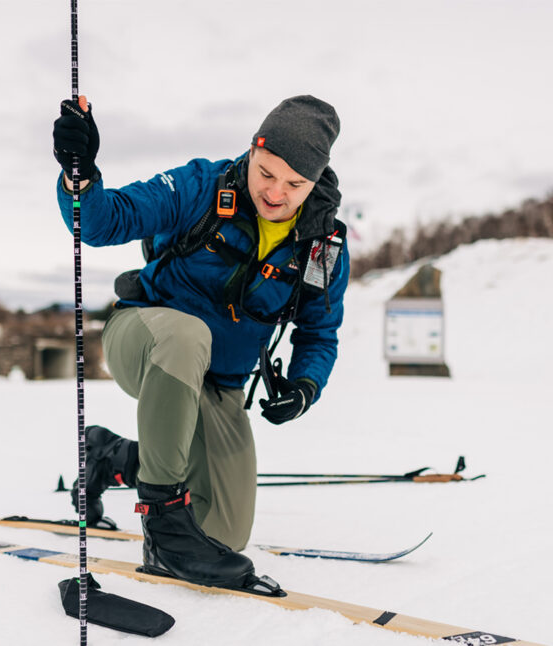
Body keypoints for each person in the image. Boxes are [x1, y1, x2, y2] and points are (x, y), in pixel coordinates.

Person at [51, 95, 351, 595]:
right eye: (266, 172)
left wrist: (303, 385)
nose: (276, 193)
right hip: (145, 341)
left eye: (295, 184)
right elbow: (104, 222)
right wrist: (78, 177)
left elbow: (319, 332)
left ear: (316, 180)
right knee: (191, 335)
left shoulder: (322, 247)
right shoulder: (201, 186)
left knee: (224, 535)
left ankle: (109, 456)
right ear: (252, 151)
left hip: (219, 383)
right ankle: (164, 520)